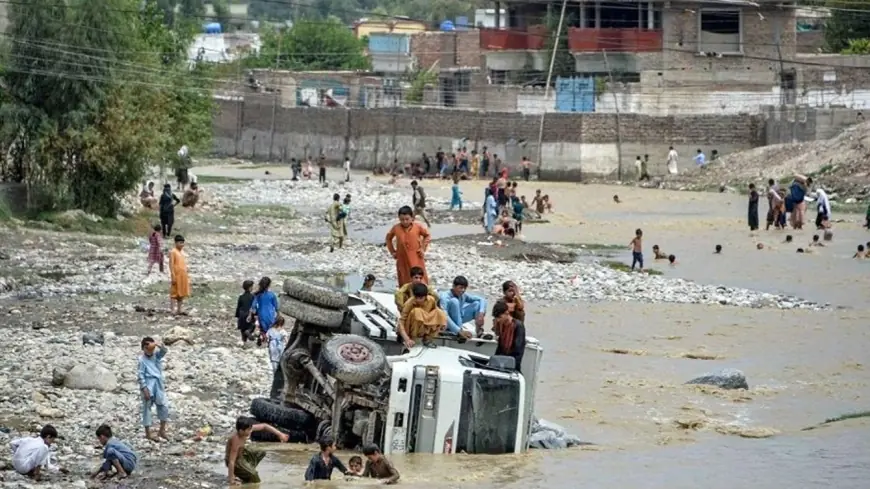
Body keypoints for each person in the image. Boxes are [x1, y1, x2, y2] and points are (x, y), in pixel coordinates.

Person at [227, 417, 288, 485]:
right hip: (236, 461)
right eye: (249, 430)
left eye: (251, 429)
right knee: (255, 478)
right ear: (241, 431)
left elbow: (264, 426)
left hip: (242, 454)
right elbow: (231, 461)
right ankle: (244, 473)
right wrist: (231, 478)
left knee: (260, 452)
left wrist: (280, 434)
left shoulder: (246, 429)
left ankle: (246, 472)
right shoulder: (236, 440)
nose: (251, 431)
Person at [386, 206, 431, 286]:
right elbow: (388, 238)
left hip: (416, 257)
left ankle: (423, 294)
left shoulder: (418, 227)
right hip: (402, 258)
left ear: (412, 218)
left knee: (419, 277)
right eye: (402, 219)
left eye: (407, 219)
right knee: (404, 278)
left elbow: (427, 236)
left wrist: (423, 249)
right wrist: (392, 251)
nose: (405, 222)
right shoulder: (396, 228)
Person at [398, 283, 448, 349]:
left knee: (440, 313)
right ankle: (414, 339)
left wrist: (444, 322)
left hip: (424, 326)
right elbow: (401, 322)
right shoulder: (409, 303)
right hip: (411, 330)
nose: (418, 300)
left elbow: (435, 312)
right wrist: (406, 338)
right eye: (416, 298)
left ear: (426, 296)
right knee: (417, 312)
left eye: (421, 298)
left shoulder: (431, 300)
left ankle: (427, 339)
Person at [138, 337, 169, 442]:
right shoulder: (142, 360)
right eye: (147, 347)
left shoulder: (156, 356)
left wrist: (157, 344)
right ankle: (148, 433)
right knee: (147, 409)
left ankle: (162, 429)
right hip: (148, 385)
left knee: (163, 405)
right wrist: (144, 388)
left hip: (158, 385)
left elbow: (164, 351)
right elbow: (140, 375)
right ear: (143, 348)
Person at [491, 301, 526, 372]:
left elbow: (518, 350)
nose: (498, 320)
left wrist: (512, 367)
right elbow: (500, 347)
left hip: (512, 364)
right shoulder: (502, 325)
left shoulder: (518, 326)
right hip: (501, 362)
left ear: (506, 313)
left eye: (500, 317)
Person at [249, 277, 279, 345]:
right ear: (269, 285)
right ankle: (268, 342)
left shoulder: (258, 295)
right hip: (270, 315)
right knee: (270, 329)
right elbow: (276, 306)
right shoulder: (272, 295)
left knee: (263, 329)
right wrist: (278, 315)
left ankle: (262, 337)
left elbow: (253, 305)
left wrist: (250, 315)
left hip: (261, 315)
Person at [168, 235, 190, 315]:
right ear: (176, 243)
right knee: (174, 293)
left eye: (183, 243)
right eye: (180, 243)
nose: (182, 245)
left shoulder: (182, 252)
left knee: (181, 293)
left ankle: (179, 309)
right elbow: (171, 264)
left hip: (183, 275)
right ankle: (172, 310)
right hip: (176, 275)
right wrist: (173, 275)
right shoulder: (173, 252)